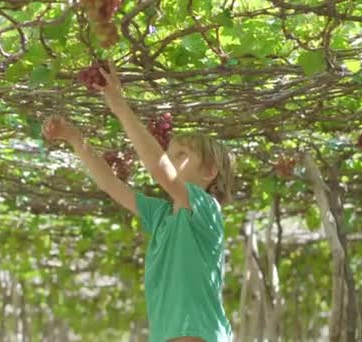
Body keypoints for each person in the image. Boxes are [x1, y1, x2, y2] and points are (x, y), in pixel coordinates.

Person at [41, 61, 234, 342]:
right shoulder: (162, 215)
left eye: (181, 155)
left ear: (209, 172)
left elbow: (159, 169)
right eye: (171, 153)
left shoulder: (206, 208)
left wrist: (119, 105)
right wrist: (74, 139)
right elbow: (110, 184)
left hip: (199, 334)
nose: (170, 159)